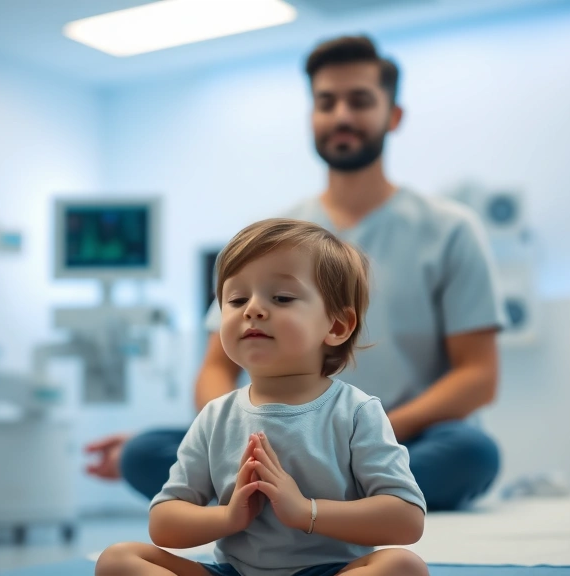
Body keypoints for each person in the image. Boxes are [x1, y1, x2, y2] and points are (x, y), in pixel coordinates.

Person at [86, 34, 505, 512]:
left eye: (360, 101)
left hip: (403, 440)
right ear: (312, 116)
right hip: (273, 434)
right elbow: (216, 368)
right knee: (143, 452)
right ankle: (320, 495)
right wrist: (231, 433)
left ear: (394, 116)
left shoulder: (449, 230)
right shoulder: (274, 239)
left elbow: (478, 376)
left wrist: (366, 432)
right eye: (326, 102)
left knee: (472, 453)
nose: (342, 115)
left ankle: (279, 496)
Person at [96, 218, 428, 576]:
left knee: (403, 566)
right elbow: (163, 522)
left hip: (328, 570)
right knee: (117, 559)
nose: (252, 309)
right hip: (235, 572)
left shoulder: (356, 412)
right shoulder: (216, 416)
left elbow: (406, 518)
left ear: (336, 326)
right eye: (236, 299)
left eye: (282, 297)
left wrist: (305, 512)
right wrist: (227, 517)